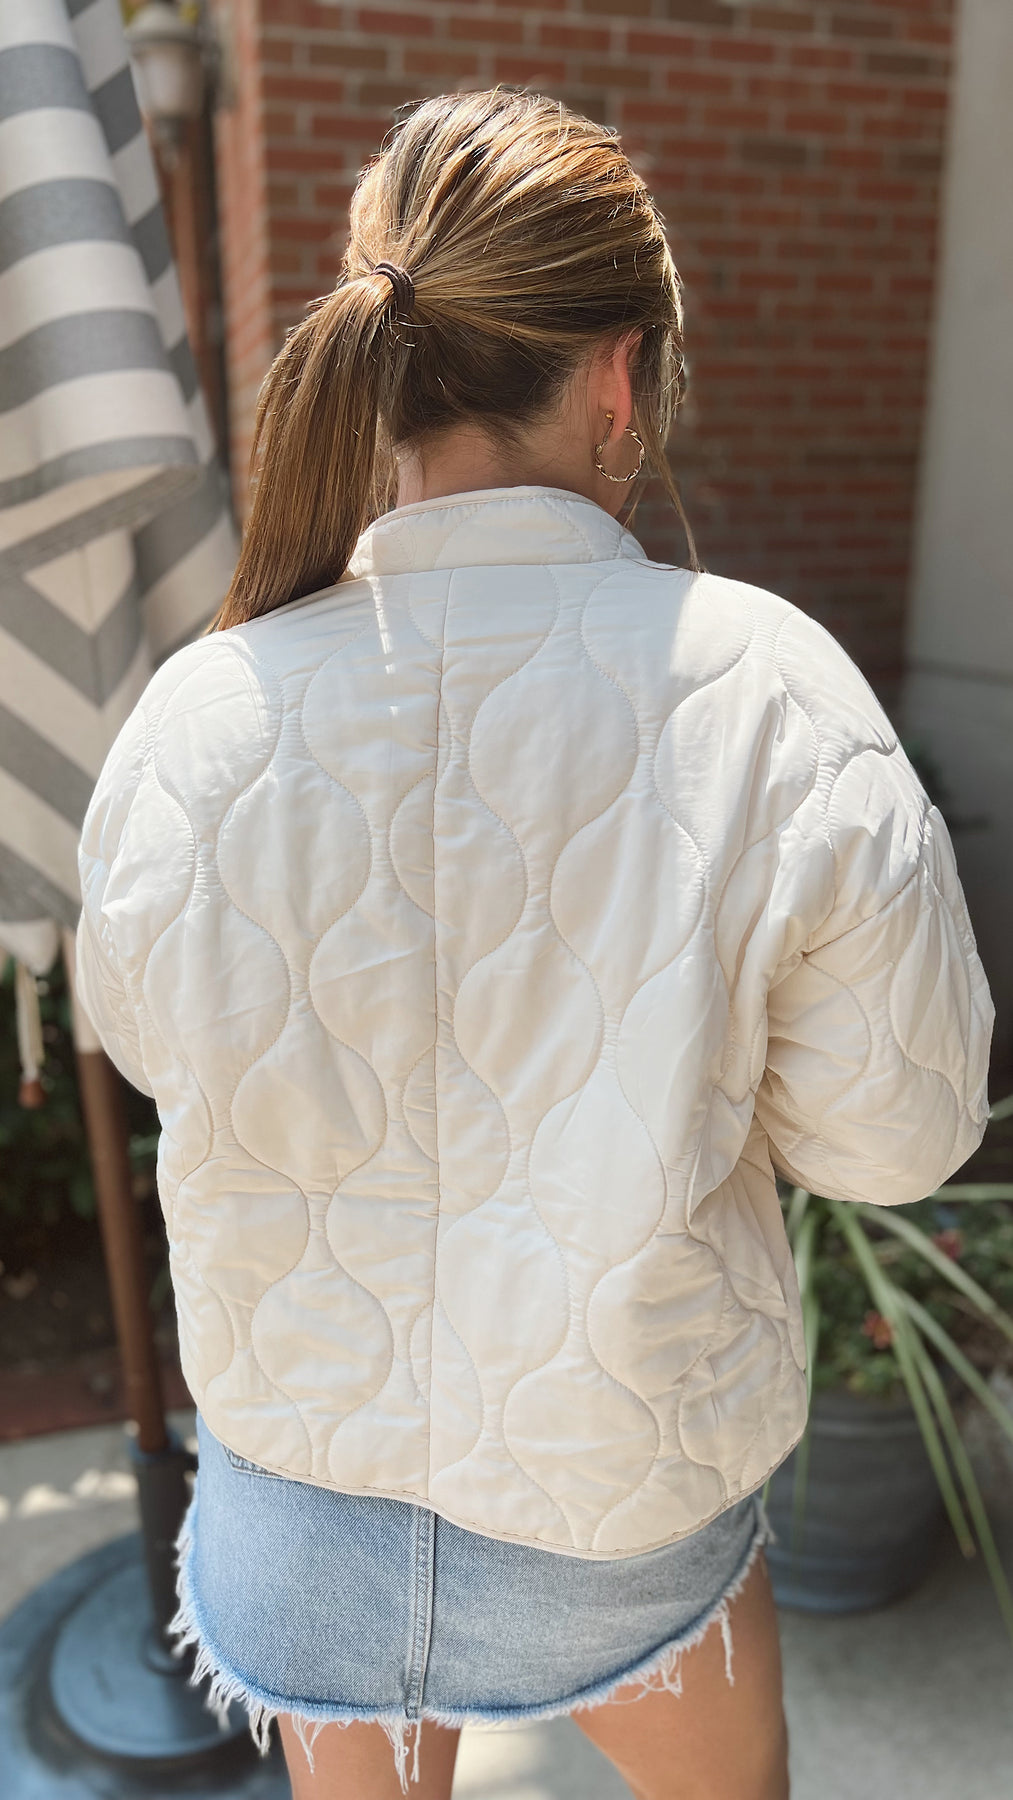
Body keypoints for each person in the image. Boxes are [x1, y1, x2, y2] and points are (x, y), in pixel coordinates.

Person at [74, 88, 993, 1800]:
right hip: (615, 1489)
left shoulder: (199, 712)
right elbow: (896, 1137)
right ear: (619, 376)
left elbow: (145, 1038)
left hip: (299, 1499)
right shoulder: (764, 688)